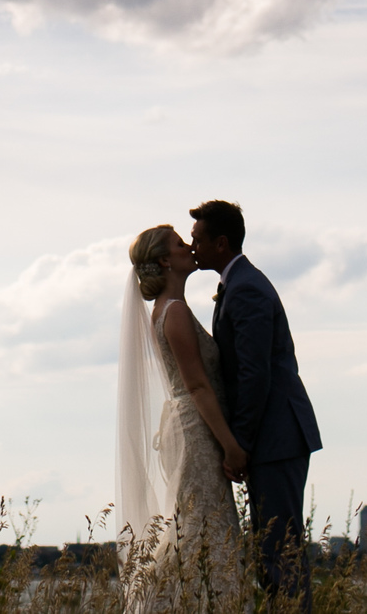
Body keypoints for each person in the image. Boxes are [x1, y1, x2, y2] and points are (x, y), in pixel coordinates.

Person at [190, 199, 322, 611]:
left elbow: (254, 374)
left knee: (279, 552)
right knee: (272, 551)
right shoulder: (239, 284)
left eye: (198, 239)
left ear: (221, 243)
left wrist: (239, 443)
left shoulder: (246, 288)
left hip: (276, 436)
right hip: (274, 436)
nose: (192, 247)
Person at [118, 224, 248, 614]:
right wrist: (231, 446)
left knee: (196, 527)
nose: (189, 246)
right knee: (203, 528)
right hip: (197, 432)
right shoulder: (173, 313)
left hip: (187, 426)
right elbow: (198, 387)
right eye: (180, 244)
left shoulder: (168, 311)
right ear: (164, 260)